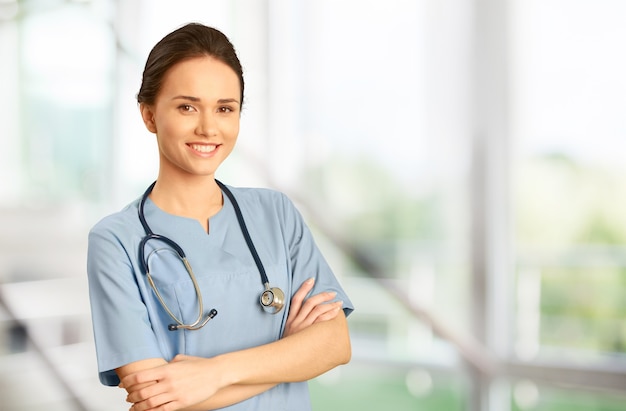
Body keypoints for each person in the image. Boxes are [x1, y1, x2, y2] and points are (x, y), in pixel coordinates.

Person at [87, 22, 353, 411]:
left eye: (225, 108)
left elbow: (335, 344)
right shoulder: (115, 241)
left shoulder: (276, 213)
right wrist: (289, 356)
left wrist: (212, 375)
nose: (209, 127)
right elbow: (155, 400)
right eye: (187, 107)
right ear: (148, 115)